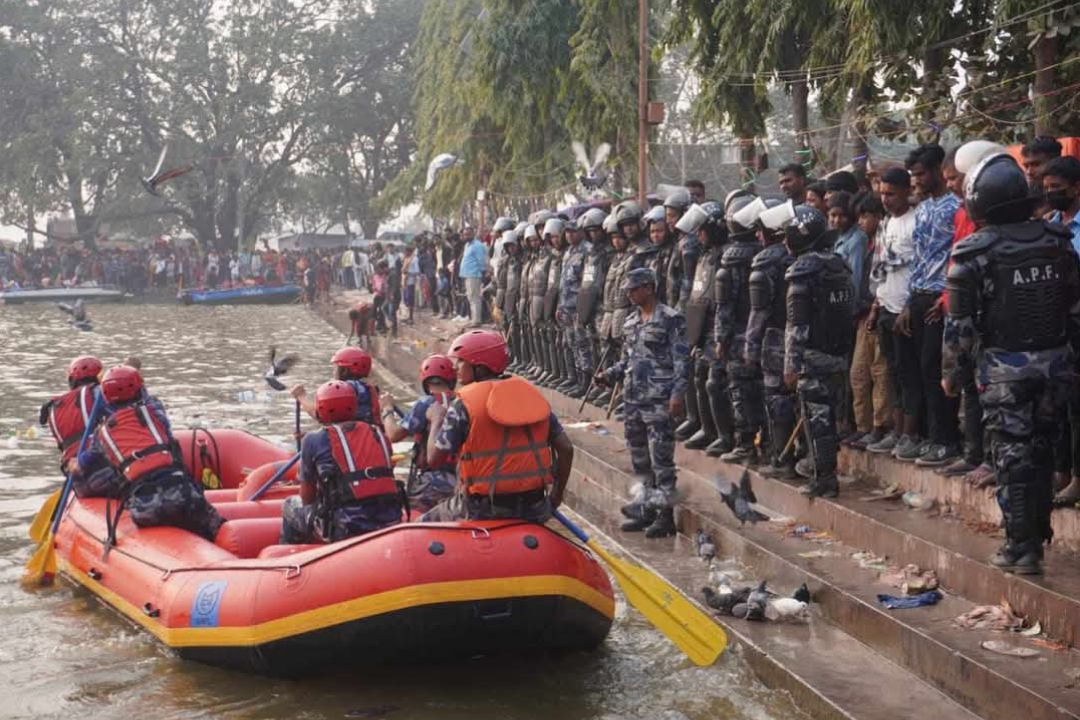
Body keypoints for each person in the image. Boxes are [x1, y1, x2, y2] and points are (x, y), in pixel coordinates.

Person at [943, 152, 1080, 575]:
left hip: (1004, 372)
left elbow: (960, 326)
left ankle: (1021, 547)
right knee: (1043, 453)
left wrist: (953, 373)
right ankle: (1035, 540)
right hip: (1057, 368)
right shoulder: (1057, 242)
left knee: (1012, 457)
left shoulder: (973, 253)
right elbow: (1074, 310)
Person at [422, 330, 574, 523]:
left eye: (461, 361)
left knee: (423, 524)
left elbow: (434, 459)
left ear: (480, 367)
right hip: (535, 507)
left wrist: (437, 419)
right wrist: (557, 496)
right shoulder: (532, 396)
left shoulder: (464, 405)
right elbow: (566, 448)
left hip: (482, 509)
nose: (455, 368)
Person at [71, 365, 226, 541]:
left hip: (145, 510)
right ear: (140, 389)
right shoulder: (155, 412)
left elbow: (85, 464)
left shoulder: (102, 434)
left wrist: (75, 464)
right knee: (218, 530)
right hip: (185, 497)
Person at [596, 268, 689, 538]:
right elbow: (629, 359)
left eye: (634, 289)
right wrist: (610, 375)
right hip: (634, 399)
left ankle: (665, 516)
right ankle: (646, 508)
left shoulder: (671, 319)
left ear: (649, 288)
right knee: (640, 459)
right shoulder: (630, 321)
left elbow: (682, 361)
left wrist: (677, 394)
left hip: (659, 399)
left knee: (662, 460)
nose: (629, 293)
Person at [896, 143, 961, 466]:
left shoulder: (956, 208)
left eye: (920, 174)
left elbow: (956, 255)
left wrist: (946, 296)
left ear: (937, 171)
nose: (916, 180)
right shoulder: (922, 210)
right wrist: (910, 301)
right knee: (919, 371)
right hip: (919, 298)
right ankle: (927, 436)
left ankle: (947, 440)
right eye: (913, 175)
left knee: (938, 370)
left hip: (942, 299)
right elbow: (918, 260)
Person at [784, 206, 854, 498]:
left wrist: (791, 364)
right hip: (838, 355)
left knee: (816, 420)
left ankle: (823, 478)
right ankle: (825, 474)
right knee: (829, 420)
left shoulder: (803, 274)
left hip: (813, 357)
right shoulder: (840, 266)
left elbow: (796, 325)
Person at [280, 381, 403, 544]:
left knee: (290, 505)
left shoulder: (312, 440)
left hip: (346, 527)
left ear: (320, 408)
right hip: (390, 519)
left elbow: (307, 498)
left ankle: (292, 557)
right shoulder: (377, 432)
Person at [677, 202, 733, 455]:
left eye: (703, 229)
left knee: (715, 382)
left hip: (719, 328)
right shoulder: (705, 255)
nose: (698, 234)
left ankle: (726, 434)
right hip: (701, 326)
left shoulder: (726, 255)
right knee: (698, 377)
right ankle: (706, 427)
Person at [746, 201, 797, 478]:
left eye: (760, 231)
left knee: (775, 398)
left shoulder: (766, 262)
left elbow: (759, 311)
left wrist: (750, 348)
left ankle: (781, 459)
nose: (757, 236)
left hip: (776, 339)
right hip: (800, 337)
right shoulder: (801, 256)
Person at [717, 194, 767, 465]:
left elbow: (725, 305)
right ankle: (766, 444)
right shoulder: (765, 254)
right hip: (762, 335)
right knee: (762, 391)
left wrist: (721, 339)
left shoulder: (731, 259)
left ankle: (745, 444)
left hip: (738, 336)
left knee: (740, 392)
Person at [382, 355, 458, 514]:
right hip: (460, 479)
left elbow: (393, 435)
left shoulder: (425, 404)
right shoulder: (461, 402)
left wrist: (387, 410)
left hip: (433, 480)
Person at [40, 355, 118, 498]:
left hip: (76, 480)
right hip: (103, 470)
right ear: (99, 377)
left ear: (71, 379)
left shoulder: (53, 407)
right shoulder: (99, 392)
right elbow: (124, 418)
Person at [292, 347, 381, 426]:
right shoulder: (369, 388)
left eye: (336, 368)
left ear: (345, 370)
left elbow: (320, 415)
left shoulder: (345, 389)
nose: (333, 372)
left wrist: (301, 397)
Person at [459, 226, 488, 327]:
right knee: (470, 297)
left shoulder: (477, 245)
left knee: (474, 297)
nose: (466, 236)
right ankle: (473, 319)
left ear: (473, 234)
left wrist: (483, 273)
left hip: (474, 274)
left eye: (468, 234)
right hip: (468, 274)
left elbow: (481, 261)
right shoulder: (467, 245)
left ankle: (476, 320)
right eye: (465, 234)